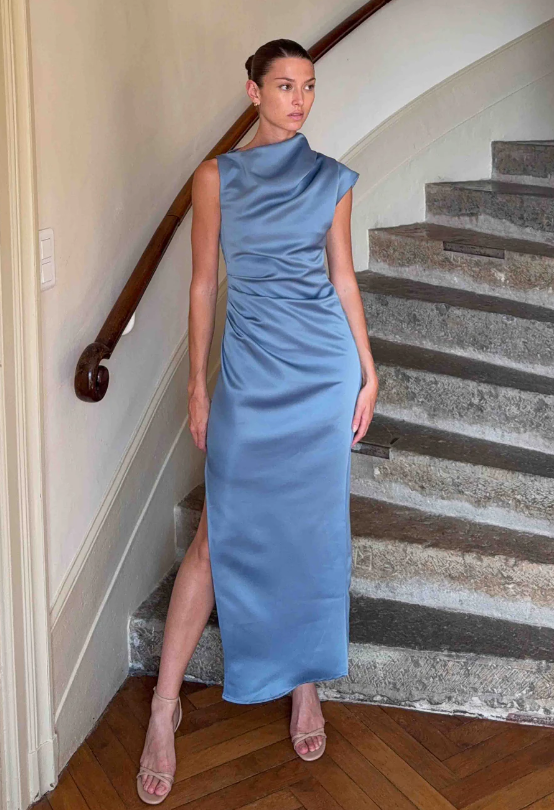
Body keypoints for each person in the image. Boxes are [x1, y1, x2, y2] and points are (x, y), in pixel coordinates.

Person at [137, 38, 378, 804]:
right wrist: (198, 386)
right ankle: (162, 708)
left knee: (313, 534)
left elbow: (342, 278)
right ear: (252, 92)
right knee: (216, 534)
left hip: (319, 376)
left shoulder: (332, 179)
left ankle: (306, 689)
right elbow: (205, 286)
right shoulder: (217, 179)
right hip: (248, 378)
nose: (300, 100)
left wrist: (367, 369)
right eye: (284, 86)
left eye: (308, 86)